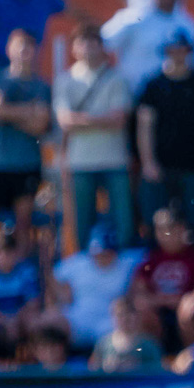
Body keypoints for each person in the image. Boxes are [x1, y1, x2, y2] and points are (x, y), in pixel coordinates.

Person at [54, 23, 136, 252]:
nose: (88, 47)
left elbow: (119, 120)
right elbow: (65, 121)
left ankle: (124, 269)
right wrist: (102, 119)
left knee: (123, 223)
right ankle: (84, 268)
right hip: (80, 163)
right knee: (82, 225)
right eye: (82, 41)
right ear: (73, 48)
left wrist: (80, 120)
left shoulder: (117, 79)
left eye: (93, 41)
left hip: (115, 161)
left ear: (102, 46)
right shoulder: (65, 80)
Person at [0, 29, 53, 237]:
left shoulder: (42, 87)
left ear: (36, 51)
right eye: (19, 46)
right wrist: (27, 112)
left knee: (23, 222)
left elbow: (40, 126)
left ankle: (22, 260)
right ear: (9, 49)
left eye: (29, 46)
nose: (24, 51)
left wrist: (3, 113)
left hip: (27, 164)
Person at [134, 32, 194, 231]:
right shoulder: (153, 85)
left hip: (193, 166)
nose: (177, 54)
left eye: (182, 50)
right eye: (173, 50)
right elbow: (144, 125)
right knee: (157, 224)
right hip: (160, 168)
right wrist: (148, 162)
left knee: (192, 224)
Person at [132, 205, 194, 355]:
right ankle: (155, 358)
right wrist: (165, 300)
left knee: (189, 311)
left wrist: (193, 299)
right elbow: (138, 291)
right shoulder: (152, 259)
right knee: (142, 311)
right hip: (159, 312)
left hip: (187, 313)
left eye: (170, 228)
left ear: (182, 229)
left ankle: (193, 358)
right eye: (160, 230)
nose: (165, 234)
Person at [102, 0, 194, 97]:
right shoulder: (134, 17)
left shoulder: (187, 24)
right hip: (133, 93)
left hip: (172, 96)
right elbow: (102, 43)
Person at [50, 224, 140, 355]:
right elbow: (54, 275)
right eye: (98, 253)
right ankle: (58, 364)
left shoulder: (127, 262)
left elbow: (147, 261)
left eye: (107, 253)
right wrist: (63, 296)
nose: (102, 256)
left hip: (110, 321)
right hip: (77, 319)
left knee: (134, 323)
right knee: (50, 321)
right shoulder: (79, 262)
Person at [89, 295, 164, 373]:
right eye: (120, 315)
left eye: (128, 314)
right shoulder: (103, 344)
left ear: (136, 316)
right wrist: (107, 367)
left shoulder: (148, 346)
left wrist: (137, 367)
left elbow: (157, 372)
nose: (124, 319)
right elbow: (94, 370)